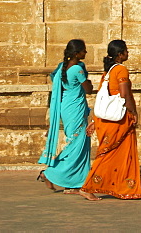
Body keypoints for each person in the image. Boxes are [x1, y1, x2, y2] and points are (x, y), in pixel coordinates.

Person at [79, 39, 141, 200]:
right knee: (109, 155)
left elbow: (103, 98)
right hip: (118, 120)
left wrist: (95, 121)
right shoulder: (121, 70)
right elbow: (124, 94)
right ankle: (87, 187)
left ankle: (130, 188)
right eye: (126, 51)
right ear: (120, 54)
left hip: (106, 121)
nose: (128, 53)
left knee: (122, 155)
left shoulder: (107, 73)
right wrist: (134, 111)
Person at [38, 39, 94, 193]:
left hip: (67, 108)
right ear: (76, 53)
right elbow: (88, 89)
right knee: (77, 145)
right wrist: (89, 82)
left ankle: (73, 184)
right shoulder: (77, 69)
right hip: (75, 109)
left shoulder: (63, 67)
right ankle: (50, 173)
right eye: (83, 50)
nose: (86, 53)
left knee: (76, 144)